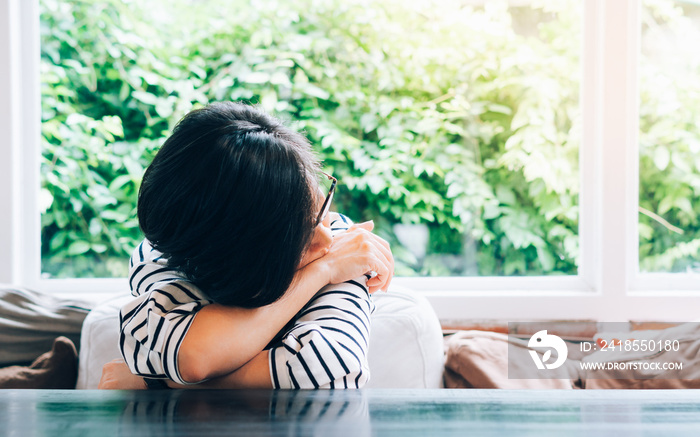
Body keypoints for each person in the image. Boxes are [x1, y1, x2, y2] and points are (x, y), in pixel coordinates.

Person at [100, 102, 394, 389]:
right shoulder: (165, 256)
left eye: (319, 206)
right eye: (297, 237)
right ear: (238, 256)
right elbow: (192, 357)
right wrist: (321, 271)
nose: (326, 241)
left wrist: (160, 383)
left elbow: (336, 363)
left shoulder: (345, 241)